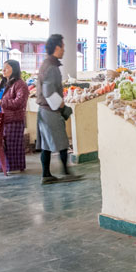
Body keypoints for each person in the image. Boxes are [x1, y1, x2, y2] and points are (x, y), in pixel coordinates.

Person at [36, 34, 81, 184]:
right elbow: (49, 92)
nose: (64, 50)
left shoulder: (46, 64)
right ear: (57, 48)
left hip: (44, 110)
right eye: (63, 47)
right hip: (50, 111)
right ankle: (65, 173)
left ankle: (47, 174)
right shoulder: (51, 68)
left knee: (46, 145)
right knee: (61, 142)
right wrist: (63, 107)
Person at [0, 60, 29, 172]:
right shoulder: (1, 83)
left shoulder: (20, 84)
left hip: (12, 119)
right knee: (1, 145)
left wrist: (1, 102)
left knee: (11, 145)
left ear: (14, 69)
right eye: (3, 67)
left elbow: (19, 102)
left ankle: (13, 167)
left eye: (7, 68)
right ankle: (4, 166)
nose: (3, 70)